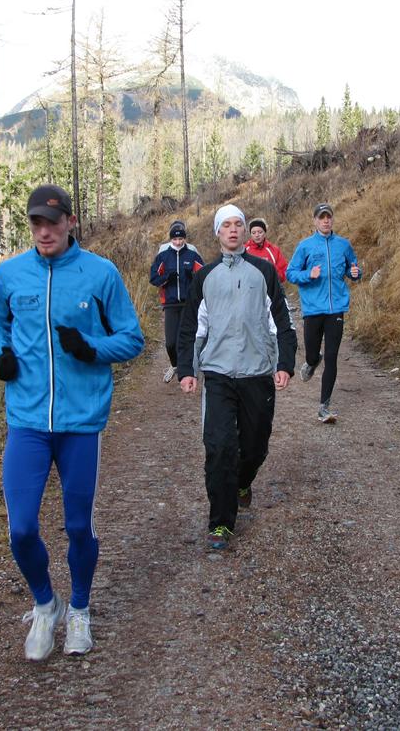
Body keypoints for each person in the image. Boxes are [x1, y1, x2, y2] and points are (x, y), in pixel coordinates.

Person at [0, 184, 145, 660]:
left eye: (52, 222)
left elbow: (132, 338)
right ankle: (44, 604)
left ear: (71, 222)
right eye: (36, 222)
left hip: (80, 422)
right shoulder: (11, 274)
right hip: (28, 419)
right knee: (21, 529)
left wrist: (92, 348)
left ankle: (79, 610)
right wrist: (1, 355)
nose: (44, 230)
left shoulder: (101, 274)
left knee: (78, 527)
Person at [177, 204, 297, 550]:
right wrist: (188, 369)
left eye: (238, 224)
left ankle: (244, 481)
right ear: (217, 233)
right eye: (226, 225)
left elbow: (282, 322)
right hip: (217, 373)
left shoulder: (264, 272)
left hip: (257, 372)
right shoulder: (205, 276)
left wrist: (284, 363)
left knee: (255, 446)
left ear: (246, 232)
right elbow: (192, 328)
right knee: (218, 446)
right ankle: (220, 521)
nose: (233, 230)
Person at [285, 203, 360, 423]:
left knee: (332, 356)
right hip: (313, 309)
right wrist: (309, 273)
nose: (326, 221)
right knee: (312, 353)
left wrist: (355, 273)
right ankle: (311, 360)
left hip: (336, 308)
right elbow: (291, 273)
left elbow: (352, 268)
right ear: (315, 221)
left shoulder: (343, 245)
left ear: (332, 220)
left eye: (329, 217)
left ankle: (324, 406)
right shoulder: (305, 246)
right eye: (321, 217)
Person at [149, 219, 204, 383]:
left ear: (185, 238)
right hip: (170, 303)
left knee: (187, 339)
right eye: (175, 239)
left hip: (188, 303)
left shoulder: (192, 255)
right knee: (171, 343)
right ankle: (175, 365)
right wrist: (167, 278)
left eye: (181, 239)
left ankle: (186, 372)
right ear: (170, 239)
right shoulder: (163, 257)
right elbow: (153, 278)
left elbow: (203, 277)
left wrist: (192, 278)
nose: (178, 242)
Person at [243, 217, 287, 283]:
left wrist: (271, 268)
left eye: (260, 232)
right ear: (250, 234)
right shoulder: (243, 250)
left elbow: (284, 274)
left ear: (265, 232)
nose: (257, 235)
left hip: (270, 290)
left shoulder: (274, 250)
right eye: (253, 233)